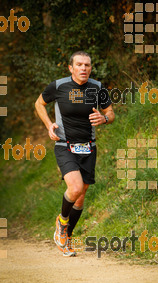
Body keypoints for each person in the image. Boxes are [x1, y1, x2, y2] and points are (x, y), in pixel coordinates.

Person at [35, 51, 115, 256]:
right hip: (65, 145)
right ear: (71, 68)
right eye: (79, 65)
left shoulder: (97, 88)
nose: (84, 68)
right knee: (75, 187)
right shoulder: (59, 86)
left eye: (87, 65)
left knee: (80, 197)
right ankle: (61, 223)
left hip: (89, 146)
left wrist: (104, 119)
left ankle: (66, 238)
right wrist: (48, 125)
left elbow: (110, 113)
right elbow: (39, 104)